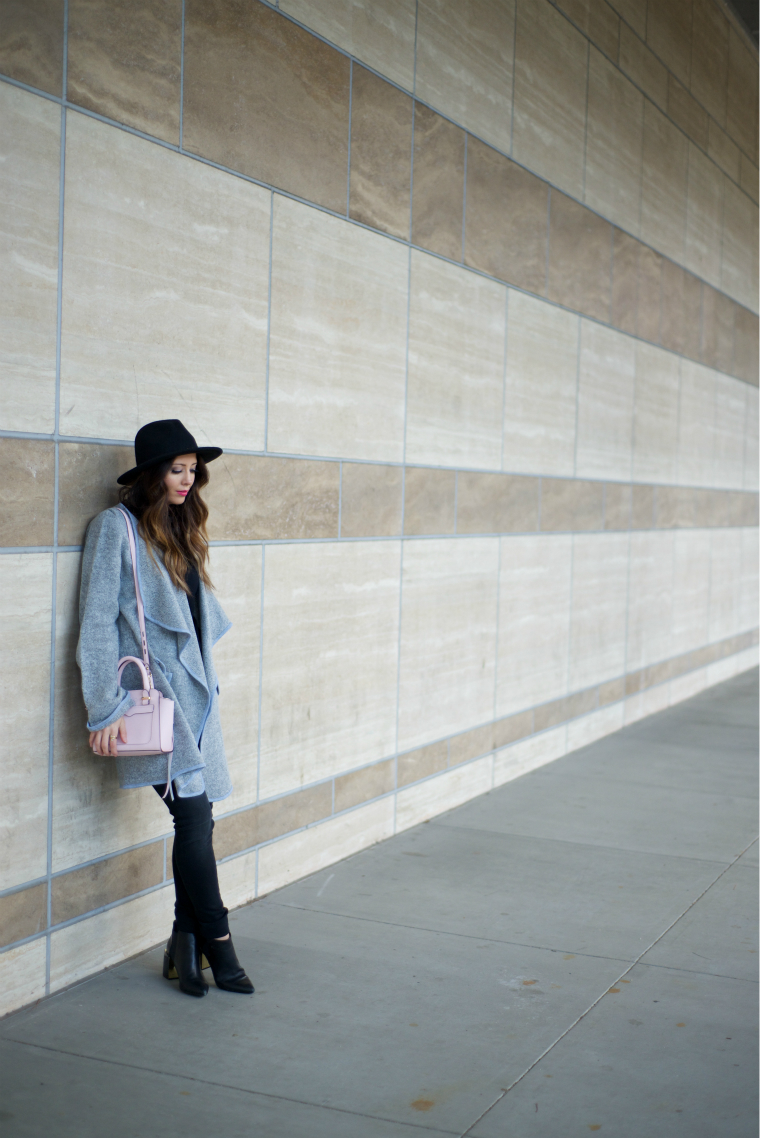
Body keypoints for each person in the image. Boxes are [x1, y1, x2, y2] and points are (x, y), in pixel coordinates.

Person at [77, 419, 253, 999]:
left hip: (196, 702)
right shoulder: (115, 529)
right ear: (152, 474)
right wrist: (103, 709)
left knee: (195, 823)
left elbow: (200, 622)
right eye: (177, 469)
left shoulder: (180, 528)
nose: (188, 478)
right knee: (194, 819)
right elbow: (98, 621)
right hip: (156, 705)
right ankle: (219, 943)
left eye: (192, 468)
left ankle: (183, 944)